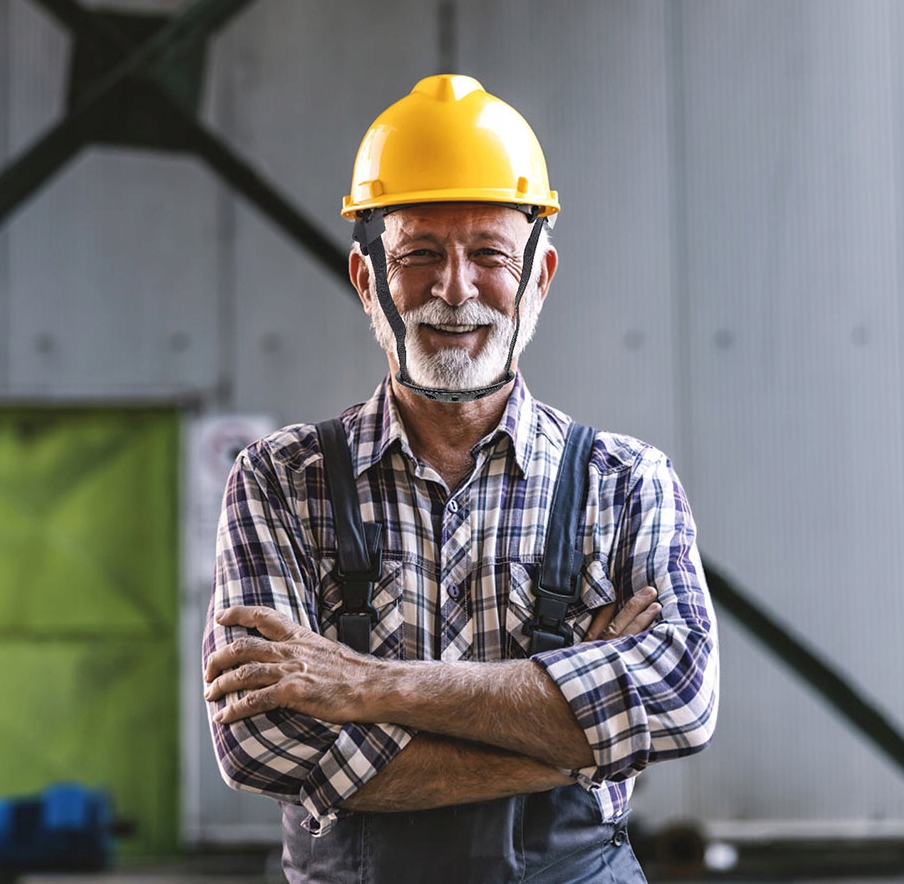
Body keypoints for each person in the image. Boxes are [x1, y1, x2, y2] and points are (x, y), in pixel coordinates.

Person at [203, 74, 719, 883]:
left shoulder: (627, 483)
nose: (454, 289)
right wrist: (577, 741)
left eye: (489, 255)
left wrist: (366, 686)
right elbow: (260, 743)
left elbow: (680, 701)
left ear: (539, 277)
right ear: (369, 278)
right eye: (419, 254)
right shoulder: (279, 482)